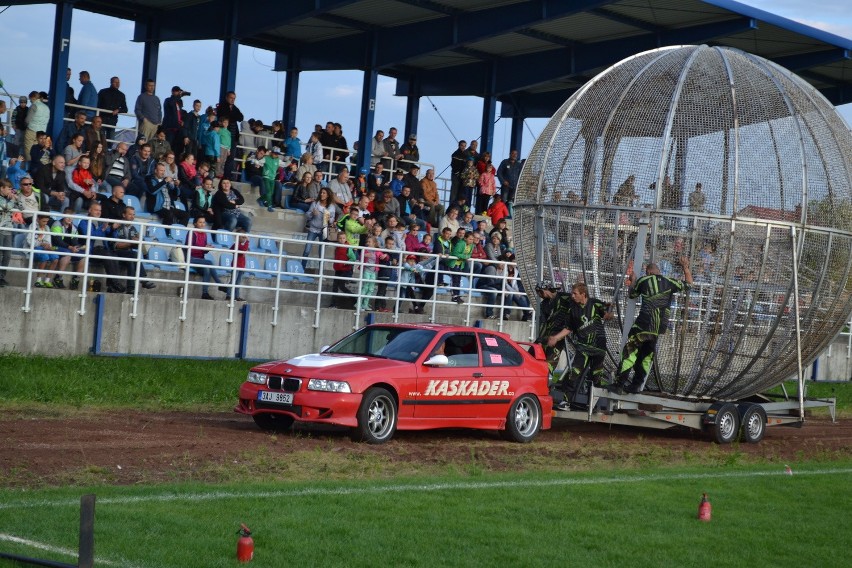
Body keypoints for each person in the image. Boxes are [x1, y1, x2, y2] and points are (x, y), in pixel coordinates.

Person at [613, 257, 693, 394]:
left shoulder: (644, 280)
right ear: (658, 271)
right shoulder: (669, 281)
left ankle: (619, 384)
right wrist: (685, 267)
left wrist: (633, 281)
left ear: (648, 272)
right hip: (657, 329)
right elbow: (689, 285)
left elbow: (632, 294)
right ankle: (636, 386)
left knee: (629, 352)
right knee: (645, 358)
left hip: (643, 325)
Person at [545, 283, 612, 408]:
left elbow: (608, 315)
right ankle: (566, 402)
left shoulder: (595, 304)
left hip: (598, 346)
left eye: (575, 293)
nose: (572, 296)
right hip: (583, 347)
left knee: (597, 376)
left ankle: (596, 405)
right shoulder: (572, 310)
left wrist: (609, 314)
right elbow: (568, 329)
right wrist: (555, 337)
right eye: (572, 293)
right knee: (574, 373)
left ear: (583, 294)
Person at [534, 280, 575, 384]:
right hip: (547, 335)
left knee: (550, 363)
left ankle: (545, 384)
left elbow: (579, 307)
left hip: (560, 335)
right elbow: (543, 324)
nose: (539, 295)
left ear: (546, 290)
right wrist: (539, 340)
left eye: (539, 292)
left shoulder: (566, 297)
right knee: (531, 355)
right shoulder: (544, 304)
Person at [111, 206, 156, 292]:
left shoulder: (133, 228)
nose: (132, 216)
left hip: (128, 254)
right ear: (123, 215)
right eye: (130, 214)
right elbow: (116, 246)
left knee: (131, 261)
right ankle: (143, 279)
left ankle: (130, 288)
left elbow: (137, 244)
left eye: (133, 214)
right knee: (134, 255)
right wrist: (131, 242)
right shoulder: (117, 226)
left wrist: (139, 241)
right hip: (116, 253)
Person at [186, 216, 224, 300]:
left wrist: (207, 249)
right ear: (195, 223)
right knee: (209, 263)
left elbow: (202, 250)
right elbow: (189, 248)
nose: (202, 224)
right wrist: (203, 248)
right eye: (200, 222)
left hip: (200, 260)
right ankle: (219, 283)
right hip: (191, 258)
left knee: (207, 269)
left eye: (203, 222)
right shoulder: (192, 232)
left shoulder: (204, 234)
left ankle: (205, 293)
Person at [302, 187, 337, 270]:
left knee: (321, 252)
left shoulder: (331, 206)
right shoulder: (315, 203)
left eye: (324, 193)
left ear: (328, 195)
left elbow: (332, 219)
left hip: (323, 231)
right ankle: (302, 268)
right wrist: (312, 214)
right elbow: (307, 215)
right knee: (307, 250)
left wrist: (329, 219)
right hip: (313, 229)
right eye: (321, 193)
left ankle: (321, 272)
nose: (322, 194)